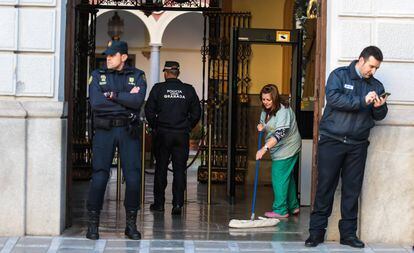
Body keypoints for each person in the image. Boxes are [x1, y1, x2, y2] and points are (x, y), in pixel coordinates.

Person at [305, 46, 388, 248]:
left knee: (352, 191)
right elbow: (333, 99)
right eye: (371, 66)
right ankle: (316, 233)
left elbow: (379, 116)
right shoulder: (339, 76)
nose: (373, 72)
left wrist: (379, 107)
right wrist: (362, 100)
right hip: (332, 141)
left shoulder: (376, 85)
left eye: (376, 68)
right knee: (325, 187)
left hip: (357, 145)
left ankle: (348, 235)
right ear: (361, 60)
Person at [86, 40, 147, 240]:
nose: (108, 58)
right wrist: (123, 101)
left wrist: (111, 95)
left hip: (128, 131)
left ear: (123, 57)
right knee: (100, 175)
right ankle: (93, 225)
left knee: (133, 177)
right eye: (107, 55)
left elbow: (137, 101)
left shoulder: (137, 76)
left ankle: (131, 225)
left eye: (112, 55)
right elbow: (96, 103)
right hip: (105, 131)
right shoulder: (97, 75)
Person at [145, 61, 201, 215]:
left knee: (161, 169)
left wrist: (156, 125)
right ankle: (177, 204)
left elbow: (148, 110)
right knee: (179, 170)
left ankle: (159, 203)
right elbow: (197, 113)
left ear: (165, 73)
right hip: (181, 135)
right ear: (178, 73)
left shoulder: (158, 89)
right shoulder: (188, 90)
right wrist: (187, 126)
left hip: (163, 134)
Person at [256, 84, 302, 219]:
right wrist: (261, 127)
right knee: (287, 177)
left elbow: (280, 133)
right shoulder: (265, 110)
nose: (265, 102)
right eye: (263, 99)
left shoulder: (283, 110)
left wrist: (264, 149)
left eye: (268, 100)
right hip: (277, 148)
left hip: (288, 147)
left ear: (275, 99)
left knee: (279, 177)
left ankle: (280, 210)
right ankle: (293, 206)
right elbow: (266, 125)